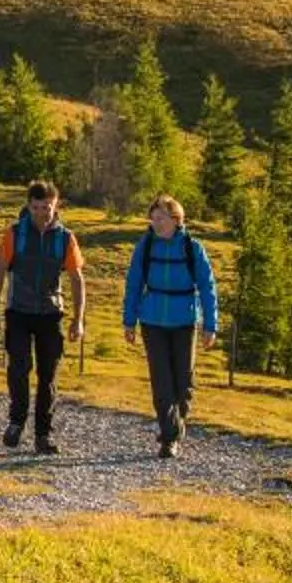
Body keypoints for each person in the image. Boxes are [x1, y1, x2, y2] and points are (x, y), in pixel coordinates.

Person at [0, 179, 84, 453]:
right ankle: (16, 422)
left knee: (47, 375)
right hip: (18, 312)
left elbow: (77, 278)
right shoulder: (15, 234)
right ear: (29, 206)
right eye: (38, 207)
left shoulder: (66, 238)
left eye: (48, 207)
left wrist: (78, 318)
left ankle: (43, 434)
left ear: (57, 206)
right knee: (19, 368)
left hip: (51, 314)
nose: (43, 212)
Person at [122, 193, 219, 457]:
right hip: (152, 321)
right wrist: (129, 321)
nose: (156, 223)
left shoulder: (192, 248)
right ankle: (170, 439)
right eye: (153, 219)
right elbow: (133, 283)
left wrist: (210, 325)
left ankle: (173, 427)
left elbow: (208, 288)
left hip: (184, 321)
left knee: (183, 383)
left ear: (177, 219)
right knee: (161, 382)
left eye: (161, 218)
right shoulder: (145, 246)